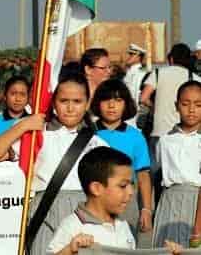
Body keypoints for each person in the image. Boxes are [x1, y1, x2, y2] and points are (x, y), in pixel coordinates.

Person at [0, 73, 108, 255]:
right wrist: (23, 126)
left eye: (77, 101)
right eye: (64, 100)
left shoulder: (98, 144)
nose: (70, 107)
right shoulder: (37, 136)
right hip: (44, 211)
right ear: (54, 102)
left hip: (84, 211)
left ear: (87, 103)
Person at [46, 147, 182, 255]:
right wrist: (70, 250)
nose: (130, 192)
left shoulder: (123, 227)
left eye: (131, 185)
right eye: (123, 186)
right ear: (96, 188)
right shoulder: (72, 226)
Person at [90, 79, 152, 236]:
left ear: (126, 104)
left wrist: (146, 209)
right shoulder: (87, 133)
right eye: (106, 100)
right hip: (94, 202)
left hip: (126, 203)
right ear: (98, 103)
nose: (112, 106)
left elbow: (143, 175)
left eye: (118, 100)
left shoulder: (135, 136)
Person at [140, 43, 201, 205]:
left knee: (160, 177)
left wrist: (155, 109)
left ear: (171, 58)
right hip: (188, 133)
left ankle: (160, 210)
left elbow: (143, 98)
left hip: (159, 133)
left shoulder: (158, 73)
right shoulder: (194, 78)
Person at [152, 80, 201, 248]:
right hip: (169, 201)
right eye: (185, 104)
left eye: (198, 104)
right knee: (166, 247)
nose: (192, 109)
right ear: (176, 105)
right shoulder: (165, 141)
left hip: (196, 202)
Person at [0, 76, 30, 148]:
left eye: (22, 94)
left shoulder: (32, 121)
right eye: (13, 94)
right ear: (5, 96)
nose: (18, 99)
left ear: (28, 98)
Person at [123, 43, 148, 109]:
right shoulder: (129, 72)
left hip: (135, 110)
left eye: (132, 55)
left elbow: (137, 94)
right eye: (129, 54)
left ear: (138, 57)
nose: (128, 57)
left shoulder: (141, 73)